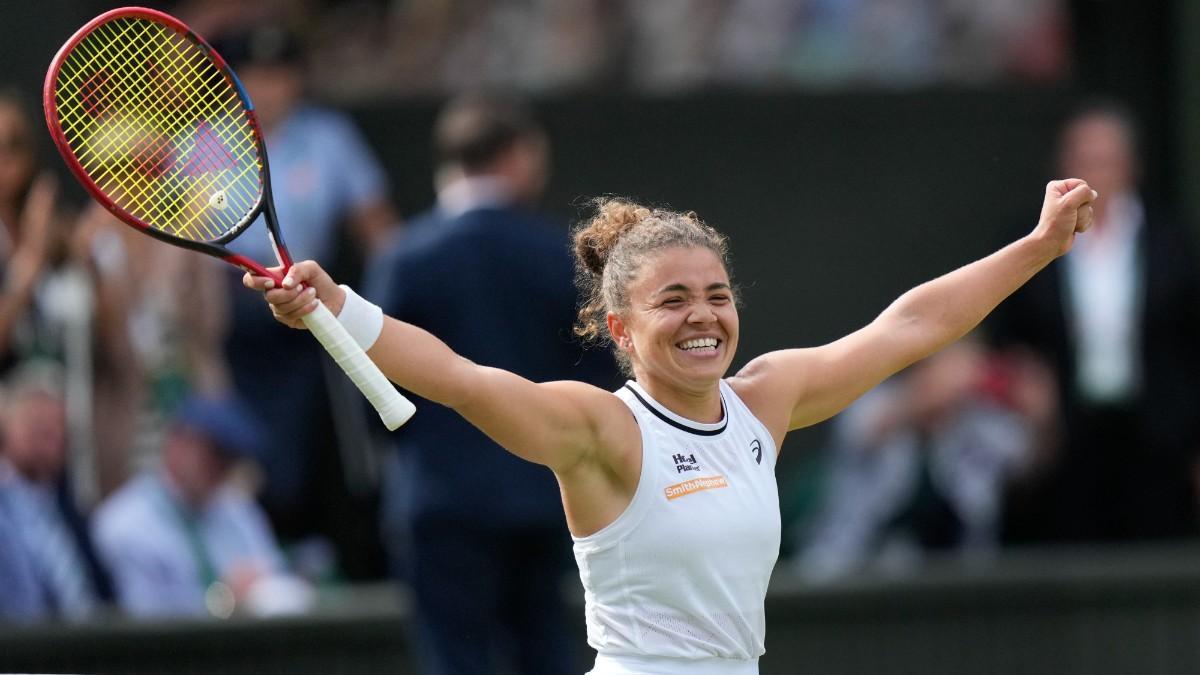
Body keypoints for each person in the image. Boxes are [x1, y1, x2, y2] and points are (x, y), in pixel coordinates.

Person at [246, 175, 1095, 673]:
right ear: (621, 329)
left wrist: (1038, 246)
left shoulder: (767, 398)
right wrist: (339, 307)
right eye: (674, 300)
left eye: (718, 296)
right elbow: (463, 380)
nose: (704, 317)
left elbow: (906, 328)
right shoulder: (601, 431)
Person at [364, 91, 617, 675]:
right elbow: (598, 374)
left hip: (439, 504)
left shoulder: (403, 257)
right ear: (519, 156)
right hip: (543, 496)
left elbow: (369, 383)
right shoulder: (556, 254)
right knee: (547, 653)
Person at [203, 23, 402, 573]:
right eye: (256, 75)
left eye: (280, 73)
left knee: (324, 441)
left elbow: (378, 228)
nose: (269, 87)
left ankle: (326, 552)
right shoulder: (203, 144)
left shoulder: (329, 136)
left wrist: (401, 289)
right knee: (244, 449)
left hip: (307, 306)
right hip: (228, 318)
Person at [990, 100, 1200, 543]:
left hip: (1157, 437)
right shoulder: (1029, 243)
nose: (1094, 175)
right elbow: (1004, 335)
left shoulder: (1171, 244)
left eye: (1106, 161)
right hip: (1060, 438)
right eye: (1083, 161)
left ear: (1131, 167)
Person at [796, 338, 1058, 581]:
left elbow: (1033, 462)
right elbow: (871, 429)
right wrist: (929, 395)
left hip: (952, 585)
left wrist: (1041, 417)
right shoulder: (874, 402)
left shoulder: (979, 426)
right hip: (850, 574)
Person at [91, 392, 311, 618]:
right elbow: (144, 622)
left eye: (229, 456)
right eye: (213, 452)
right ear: (176, 442)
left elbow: (276, 578)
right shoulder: (124, 523)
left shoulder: (239, 512)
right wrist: (224, 601)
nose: (221, 467)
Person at [0, 360, 112, 621]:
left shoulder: (72, 510)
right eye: (36, 424)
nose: (47, 437)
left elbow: (102, 592)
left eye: (55, 429)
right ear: (7, 426)